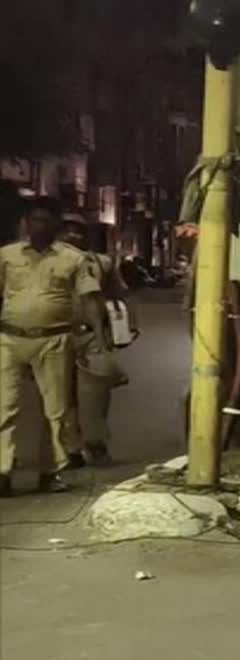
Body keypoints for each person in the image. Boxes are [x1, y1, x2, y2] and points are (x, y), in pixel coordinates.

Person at [0, 198, 106, 497]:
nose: (39, 227)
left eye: (46, 221)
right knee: (3, 407)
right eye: (34, 220)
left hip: (54, 340)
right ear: (26, 224)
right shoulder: (7, 255)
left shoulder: (72, 259)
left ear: (55, 227)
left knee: (55, 410)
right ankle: (2, 472)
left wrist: (98, 336)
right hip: (9, 339)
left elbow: (89, 298)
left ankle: (51, 471)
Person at [62, 215, 130, 466]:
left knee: (95, 396)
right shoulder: (50, 260)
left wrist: (119, 330)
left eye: (78, 231)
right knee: (62, 396)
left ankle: (96, 443)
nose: (73, 236)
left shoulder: (102, 262)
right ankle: (70, 449)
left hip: (92, 336)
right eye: (67, 231)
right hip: (57, 335)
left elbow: (118, 296)